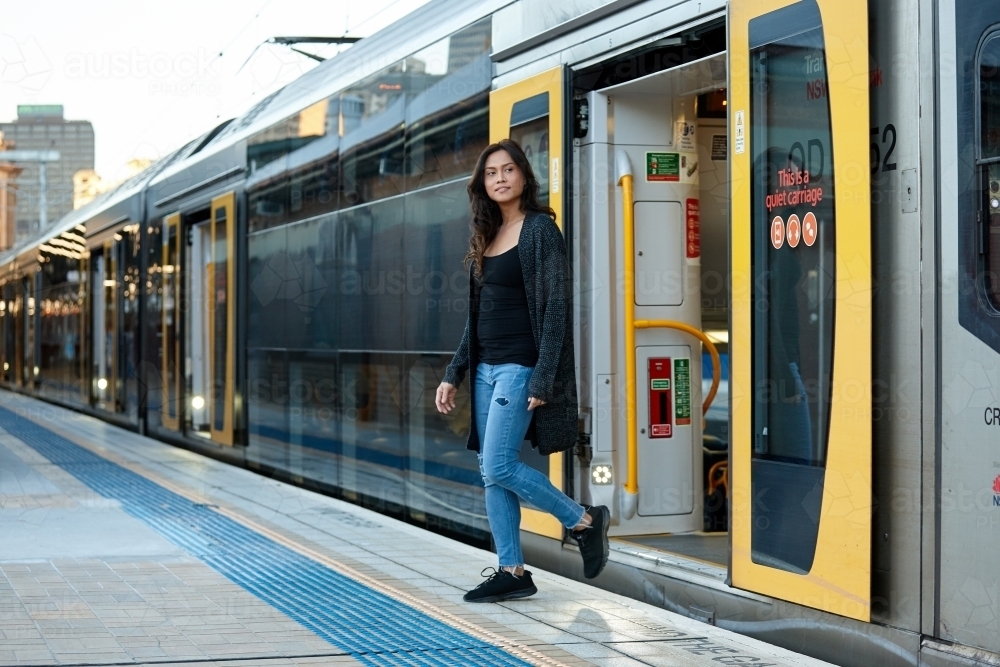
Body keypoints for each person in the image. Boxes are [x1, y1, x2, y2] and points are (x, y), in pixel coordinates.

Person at [436, 138, 610, 603]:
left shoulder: (540, 231)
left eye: (508, 170)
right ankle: (512, 569)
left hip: (520, 367)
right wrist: (453, 372)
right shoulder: (485, 236)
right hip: (485, 370)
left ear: (523, 176)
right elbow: (476, 320)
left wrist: (544, 375)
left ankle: (584, 520)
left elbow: (557, 307)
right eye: (491, 173)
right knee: (492, 472)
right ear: (482, 184)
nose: (499, 179)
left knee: (498, 463)